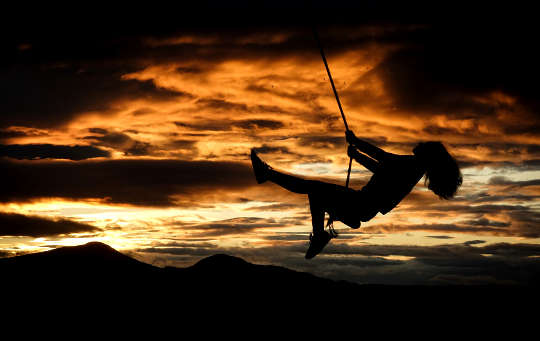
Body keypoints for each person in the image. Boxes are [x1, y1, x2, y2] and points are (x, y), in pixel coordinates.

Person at [250, 130, 463, 259]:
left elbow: (383, 158)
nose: (421, 144)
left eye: (426, 146)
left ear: (429, 155)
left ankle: (268, 175)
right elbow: (382, 167)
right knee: (315, 192)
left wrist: (357, 143)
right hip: (362, 204)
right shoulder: (412, 168)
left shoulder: (411, 166)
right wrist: (357, 152)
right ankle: (268, 175)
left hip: (361, 203)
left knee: (314, 189)